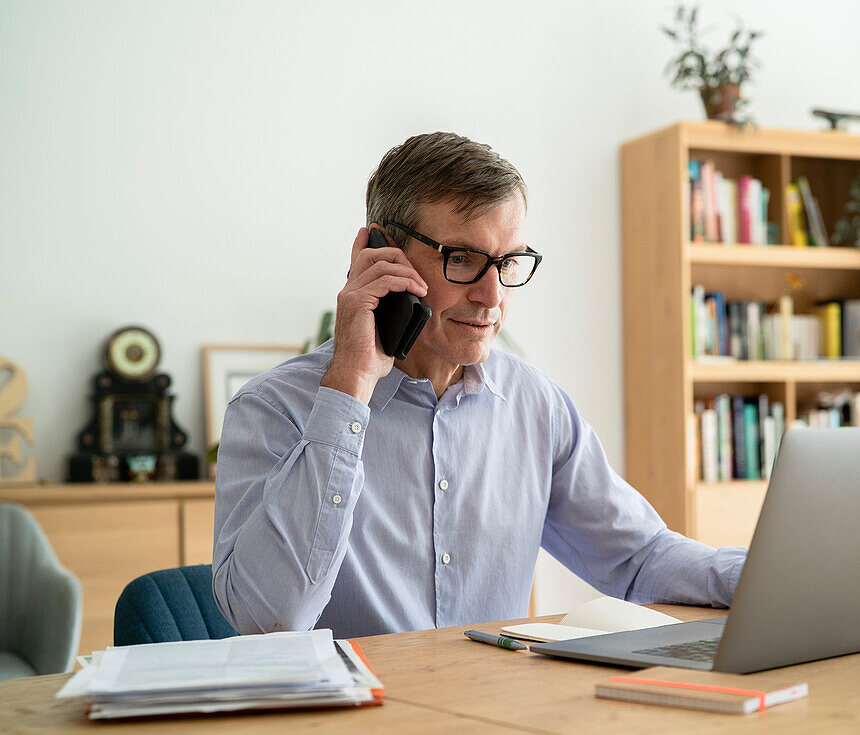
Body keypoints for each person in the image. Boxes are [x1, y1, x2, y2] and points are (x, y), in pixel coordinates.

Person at [212, 132, 746, 638]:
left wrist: (777, 576)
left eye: (508, 261)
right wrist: (349, 389)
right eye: (462, 259)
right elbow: (270, 623)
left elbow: (639, 557)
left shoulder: (535, 405)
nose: (492, 297)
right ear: (380, 253)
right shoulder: (273, 409)